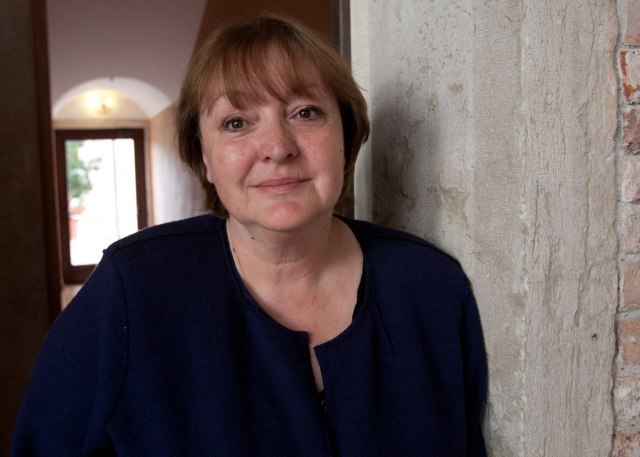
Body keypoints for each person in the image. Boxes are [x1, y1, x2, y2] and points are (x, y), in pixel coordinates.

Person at [11, 13, 487, 457]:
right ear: (204, 158)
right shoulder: (133, 290)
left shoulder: (432, 289)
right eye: (237, 122)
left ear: (346, 134)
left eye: (305, 112)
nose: (277, 147)